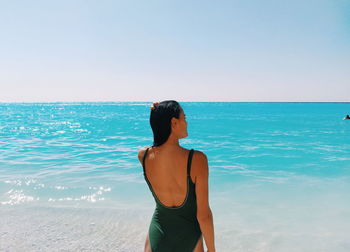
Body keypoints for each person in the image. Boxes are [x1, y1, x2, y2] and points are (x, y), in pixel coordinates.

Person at [138, 100, 216, 252]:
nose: (186, 123)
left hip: (157, 237)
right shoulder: (197, 159)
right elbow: (203, 215)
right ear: (174, 122)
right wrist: (212, 249)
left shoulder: (143, 155)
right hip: (190, 238)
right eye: (184, 118)